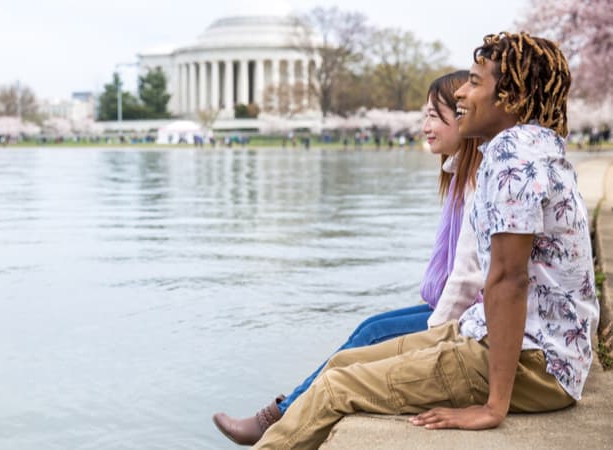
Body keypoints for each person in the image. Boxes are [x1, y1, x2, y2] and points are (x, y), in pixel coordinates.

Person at [251, 31, 599, 450]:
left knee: (334, 389)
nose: (462, 95)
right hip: (522, 345)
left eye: (474, 82)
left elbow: (510, 281)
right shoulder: (529, 145)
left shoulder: (514, 158)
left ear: (508, 96)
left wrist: (494, 407)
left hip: (536, 364)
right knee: (343, 363)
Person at [212, 70, 485, 445]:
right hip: (457, 309)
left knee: (372, 334)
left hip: (467, 318)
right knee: (370, 326)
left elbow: (468, 278)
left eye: (434, 116)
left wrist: (433, 335)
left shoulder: (475, 180)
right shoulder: (459, 175)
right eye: (424, 115)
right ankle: (281, 411)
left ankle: (277, 417)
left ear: (463, 117)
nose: (424, 126)